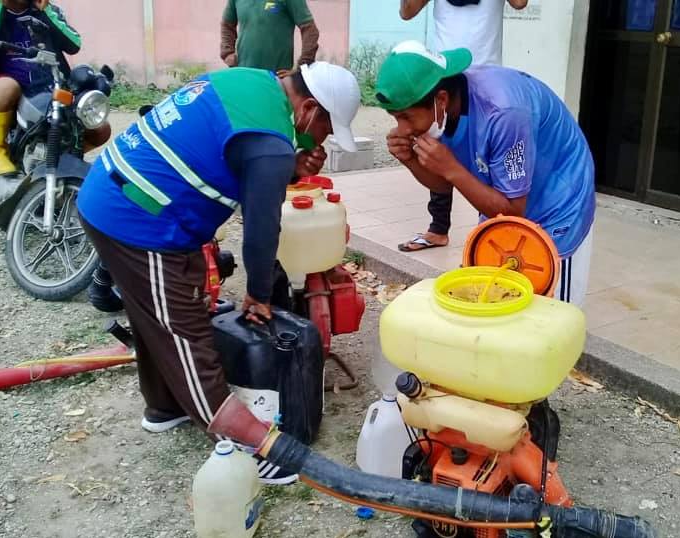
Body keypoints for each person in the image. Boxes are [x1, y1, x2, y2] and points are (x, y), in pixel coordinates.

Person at [77, 63, 360, 484]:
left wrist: (292, 167)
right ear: (309, 109)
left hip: (115, 192)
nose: (322, 139)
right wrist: (259, 293)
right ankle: (249, 446)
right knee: (184, 331)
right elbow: (262, 229)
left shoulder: (252, 81)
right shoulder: (271, 144)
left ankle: (165, 406)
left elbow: (238, 158)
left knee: (158, 313)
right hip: (138, 218)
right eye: (326, 129)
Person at [376, 41, 595, 307]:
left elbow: (512, 210)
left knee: (550, 310)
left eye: (406, 117)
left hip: (558, 203)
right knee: (497, 302)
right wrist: (411, 160)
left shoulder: (504, 113)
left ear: (441, 100)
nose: (402, 129)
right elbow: (443, 185)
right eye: (395, 118)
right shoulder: (441, 114)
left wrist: (452, 168)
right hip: (504, 199)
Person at [396, 0, 528, 252]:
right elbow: (407, 12)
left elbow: (520, 3)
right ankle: (438, 229)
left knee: (488, 164)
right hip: (444, 74)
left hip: (488, 83)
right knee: (437, 151)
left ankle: (491, 234)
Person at [0, 0, 110, 178]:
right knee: (5, 88)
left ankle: (61, 157)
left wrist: (46, 11)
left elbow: (74, 45)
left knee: (100, 130)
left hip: (51, 85)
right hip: (13, 87)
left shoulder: (48, 9)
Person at [220, 0, 320, 75]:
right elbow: (227, 25)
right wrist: (227, 52)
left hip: (276, 78)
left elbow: (310, 29)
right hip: (244, 73)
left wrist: (302, 67)